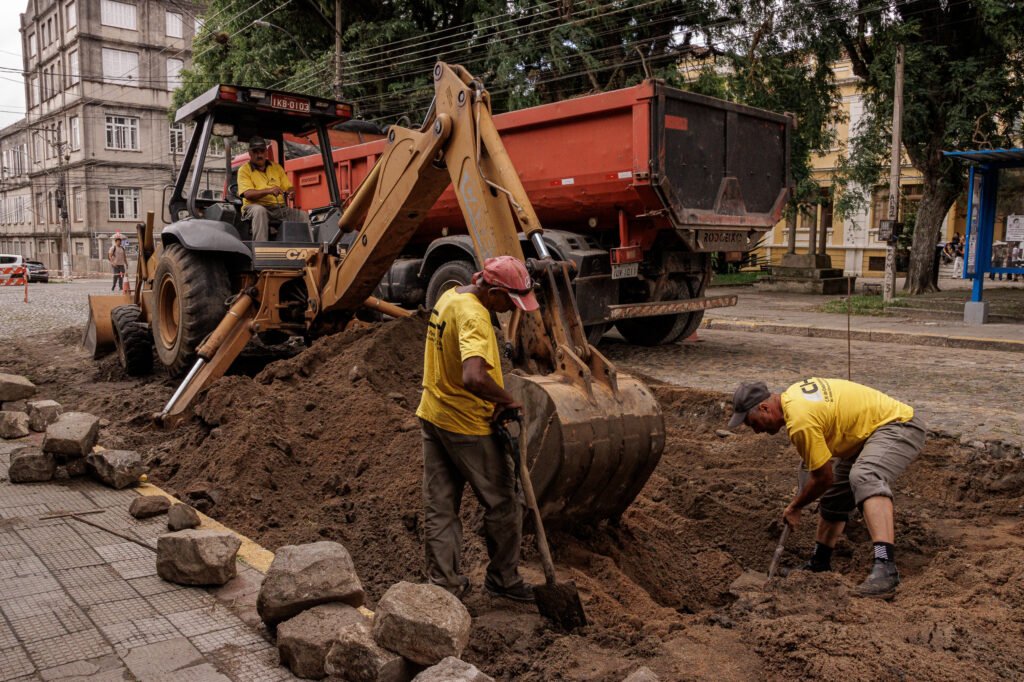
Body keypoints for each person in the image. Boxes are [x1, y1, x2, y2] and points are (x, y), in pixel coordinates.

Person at [728, 378, 927, 598]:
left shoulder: (800, 420)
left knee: (865, 475)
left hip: (899, 425)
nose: (756, 431)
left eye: (752, 423)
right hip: (864, 434)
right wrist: (804, 490)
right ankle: (819, 563)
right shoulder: (793, 397)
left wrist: (796, 506)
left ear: (764, 407)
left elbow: (823, 478)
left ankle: (885, 568)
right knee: (834, 497)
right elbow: (819, 473)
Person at [415, 256, 539, 603]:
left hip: (434, 414)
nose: (508, 310)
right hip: (468, 425)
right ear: (494, 292)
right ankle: (503, 579)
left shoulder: (451, 296)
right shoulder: (475, 316)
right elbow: (473, 376)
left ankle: (444, 585)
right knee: (504, 504)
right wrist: (507, 401)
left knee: (440, 506)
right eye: (508, 302)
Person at [236, 136, 309, 241]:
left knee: (302, 215)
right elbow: (247, 194)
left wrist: (291, 192)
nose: (259, 155)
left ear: (266, 152)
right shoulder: (244, 170)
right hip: (253, 207)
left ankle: (307, 249)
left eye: (261, 151)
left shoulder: (277, 168)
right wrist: (269, 190)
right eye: (255, 152)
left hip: (277, 209)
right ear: (250, 153)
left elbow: (288, 187)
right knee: (259, 211)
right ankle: (261, 249)